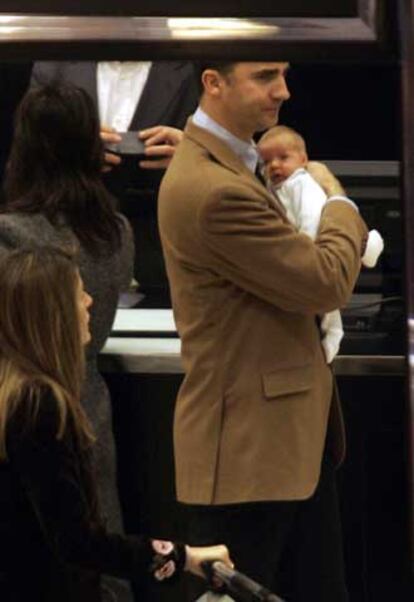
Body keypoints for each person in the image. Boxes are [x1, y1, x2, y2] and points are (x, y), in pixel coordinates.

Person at [158, 61, 369, 601]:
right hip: (250, 454)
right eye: (265, 75)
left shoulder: (232, 164)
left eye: (285, 73)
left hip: (281, 441)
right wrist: (337, 197)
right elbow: (325, 281)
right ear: (213, 82)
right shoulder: (215, 188)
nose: (284, 90)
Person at [0, 247, 232, 602]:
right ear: (54, 315)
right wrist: (182, 557)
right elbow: (78, 542)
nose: (90, 302)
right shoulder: (39, 406)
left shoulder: (13, 396)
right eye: (78, 293)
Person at [0, 83, 136, 602]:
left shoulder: (10, 235)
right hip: (90, 406)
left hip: (22, 409)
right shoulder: (117, 232)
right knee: (102, 553)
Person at [30, 61, 199, 302]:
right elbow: (25, 154)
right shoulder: (53, 65)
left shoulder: (195, 67)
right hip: (64, 251)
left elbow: (232, 151)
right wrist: (65, 149)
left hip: (167, 257)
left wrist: (194, 153)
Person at [257, 124, 384, 363]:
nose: (273, 166)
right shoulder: (273, 188)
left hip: (316, 243)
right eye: (266, 162)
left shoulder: (301, 182)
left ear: (303, 160)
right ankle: (365, 244)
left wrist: (305, 242)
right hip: (307, 250)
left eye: (283, 157)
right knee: (324, 304)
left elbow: (313, 213)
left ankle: (364, 244)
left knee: (325, 301)